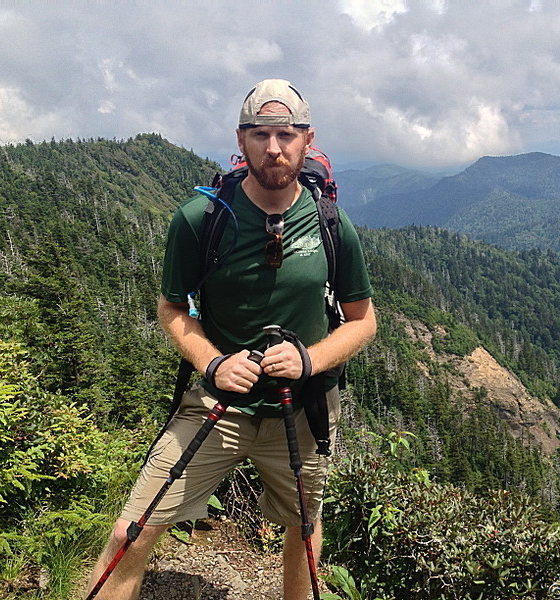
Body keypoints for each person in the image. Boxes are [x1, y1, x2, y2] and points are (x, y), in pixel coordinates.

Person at [85, 79, 376, 600]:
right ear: (240, 141)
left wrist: (309, 360)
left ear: (308, 140)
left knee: (304, 535)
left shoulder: (332, 223)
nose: (274, 148)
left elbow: (363, 320)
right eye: (260, 133)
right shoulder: (201, 219)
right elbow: (172, 308)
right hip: (217, 404)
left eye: (286, 134)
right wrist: (214, 364)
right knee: (133, 529)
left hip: (303, 407)